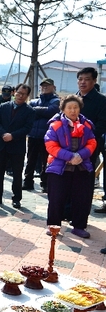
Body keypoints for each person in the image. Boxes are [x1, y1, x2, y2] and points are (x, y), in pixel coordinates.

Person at [45, 95, 97, 239]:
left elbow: (92, 142)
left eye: (76, 107)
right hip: (59, 167)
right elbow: (50, 145)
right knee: (56, 198)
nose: (73, 110)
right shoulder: (55, 125)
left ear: (80, 108)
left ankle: (79, 226)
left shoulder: (86, 124)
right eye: (69, 108)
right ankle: (53, 225)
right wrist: (69, 156)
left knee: (82, 199)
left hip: (81, 167)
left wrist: (80, 155)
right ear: (63, 109)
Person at [0, 84, 35, 209]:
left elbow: (27, 128)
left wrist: (12, 136)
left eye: (23, 94)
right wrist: (3, 134)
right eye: (18, 93)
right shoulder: (4, 106)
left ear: (27, 96)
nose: (20, 96)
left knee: (17, 174)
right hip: (1, 144)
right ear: (14, 92)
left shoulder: (30, 111)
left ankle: (16, 198)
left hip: (17, 146)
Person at [73, 67, 106, 214]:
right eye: (80, 79)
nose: (83, 82)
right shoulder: (72, 99)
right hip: (69, 145)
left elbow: (101, 125)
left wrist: (84, 138)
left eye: (87, 79)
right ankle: (68, 210)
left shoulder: (101, 101)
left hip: (89, 146)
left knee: (85, 180)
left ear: (94, 81)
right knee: (69, 178)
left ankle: (81, 213)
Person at [24, 78, 60, 192]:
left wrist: (36, 111)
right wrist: (42, 113)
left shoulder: (56, 101)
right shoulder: (34, 101)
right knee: (30, 160)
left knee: (46, 161)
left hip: (48, 137)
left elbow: (51, 111)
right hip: (33, 135)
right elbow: (28, 113)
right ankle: (27, 181)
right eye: (43, 85)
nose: (45, 87)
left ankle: (45, 183)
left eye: (47, 85)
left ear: (53, 87)